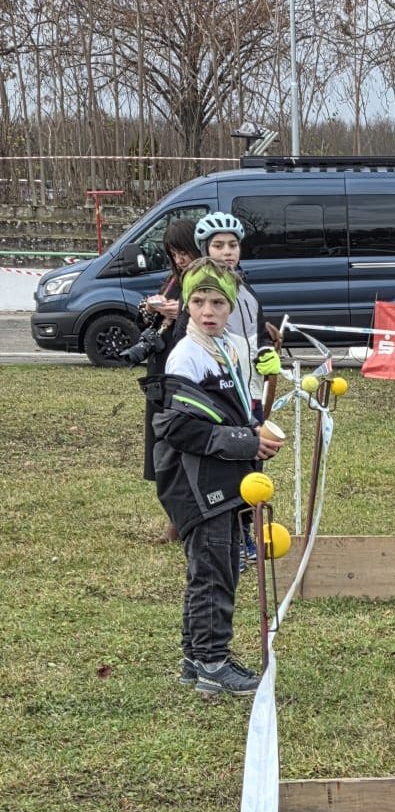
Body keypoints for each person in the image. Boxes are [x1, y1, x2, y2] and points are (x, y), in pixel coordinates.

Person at [152, 258, 284, 697]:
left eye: (217, 303)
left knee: (213, 568)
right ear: (186, 304)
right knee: (214, 573)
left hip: (224, 476)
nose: (207, 311)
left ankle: (195, 659)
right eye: (198, 301)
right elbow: (176, 427)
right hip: (195, 480)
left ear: (231, 306)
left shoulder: (224, 345)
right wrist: (246, 442)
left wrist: (257, 423)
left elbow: (234, 407)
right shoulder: (186, 355)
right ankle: (213, 663)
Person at [193, 211, 281, 413]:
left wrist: (265, 351)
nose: (227, 252)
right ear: (205, 250)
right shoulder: (196, 293)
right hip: (218, 398)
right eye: (218, 246)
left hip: (251, 394)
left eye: (233, 245)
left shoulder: (246, 291)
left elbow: (259, 334)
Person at [134, 219, 199, 487]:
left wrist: (183, 311)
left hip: (185, 368)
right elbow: (146, 322)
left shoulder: (205, 279)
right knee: (160, 430)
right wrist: (151, 308)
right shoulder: (173, 279)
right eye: (173, 254)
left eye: (184, 252)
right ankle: (164, 476)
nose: (180, 259)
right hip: (161, 366)